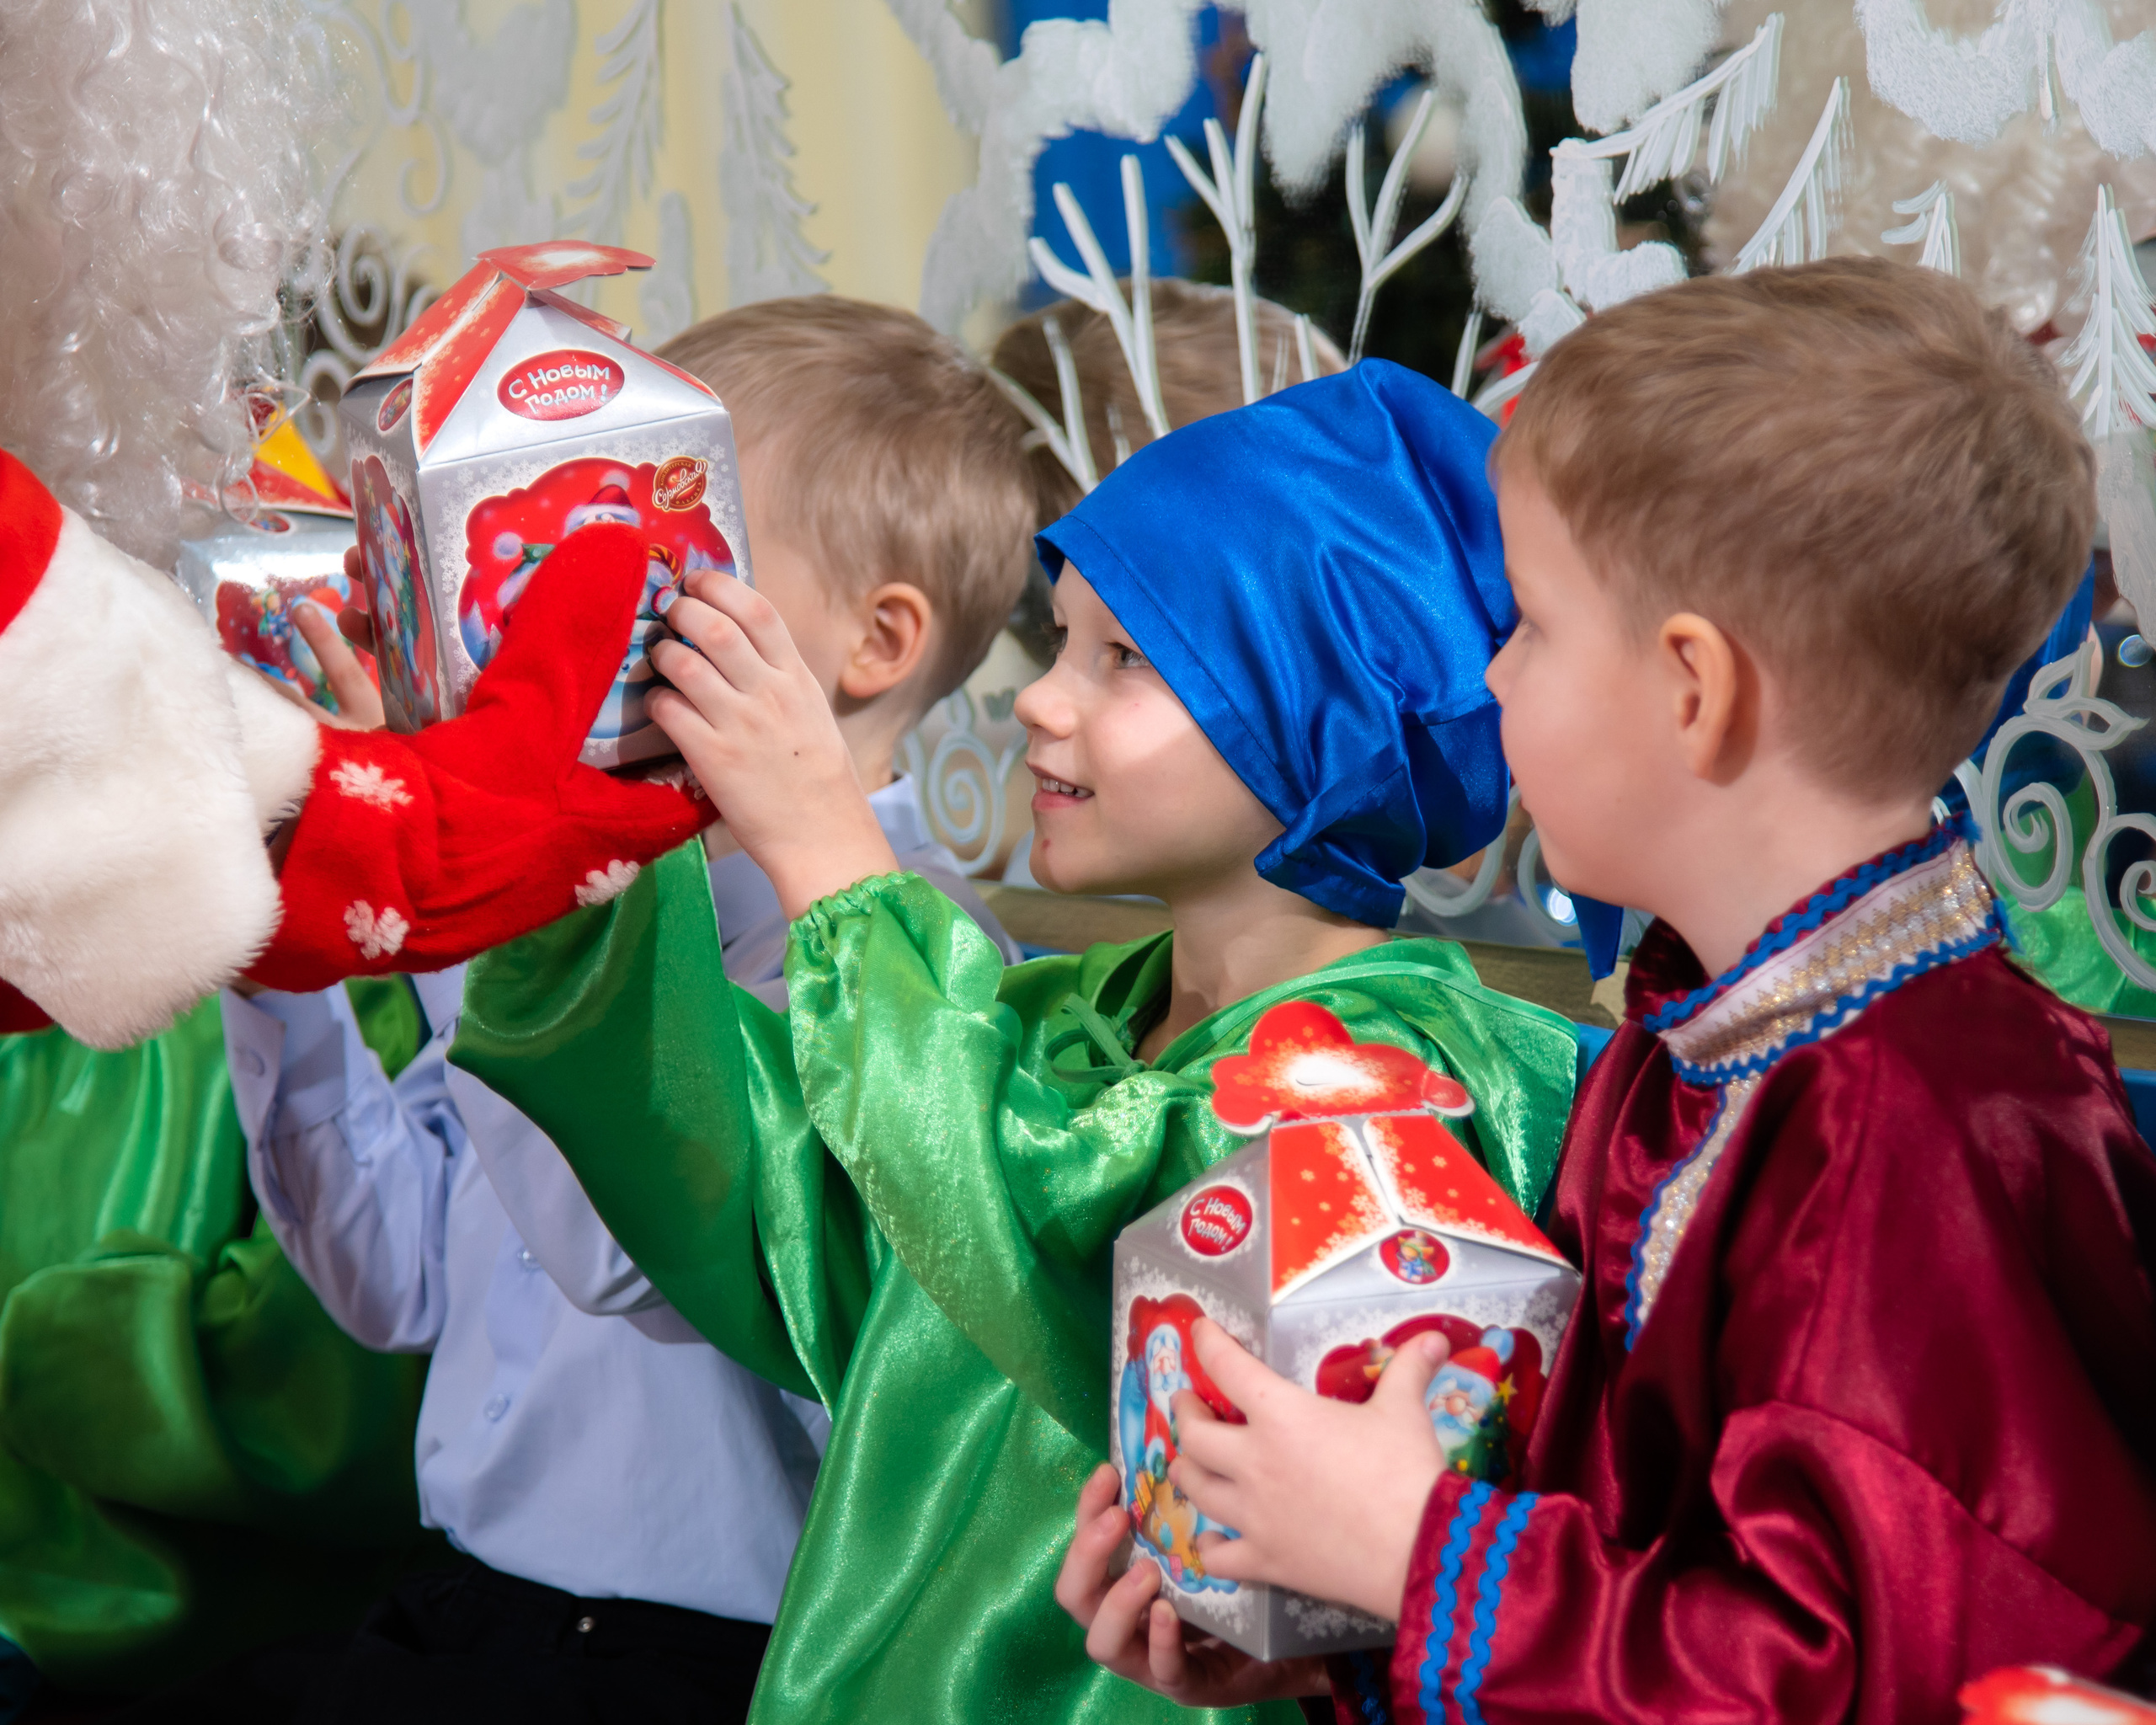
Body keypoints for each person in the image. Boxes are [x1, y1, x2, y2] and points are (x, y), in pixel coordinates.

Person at [1060, 259, 2156, 1721]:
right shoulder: (1692, 1045)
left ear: (1693, 690)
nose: (1493, 676)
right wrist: (1314, 1610)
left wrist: (1421, 1560)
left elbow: (1854, 1679)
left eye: (1530, 624)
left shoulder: (1922, 1125)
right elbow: (1609, 1546)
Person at [451, 358, 1583, 1724]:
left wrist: (830, 858)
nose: (1042, 700)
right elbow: (770, 1206)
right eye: (1058, 644)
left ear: (1325, 721)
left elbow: (1066, 1250)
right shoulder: (1055, 1021)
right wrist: (574, 855)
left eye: (1128, 657)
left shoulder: (1398, 1077)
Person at [189, 296, 1035, 1724]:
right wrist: (288, 941)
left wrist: (504, 892)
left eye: (665, 556)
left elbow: (622, 1261)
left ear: (876, 643)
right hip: (467, 1600)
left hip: (690, 1663)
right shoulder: (594, 884)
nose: (560, 607)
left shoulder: (915, 967)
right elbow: (394, 1279)